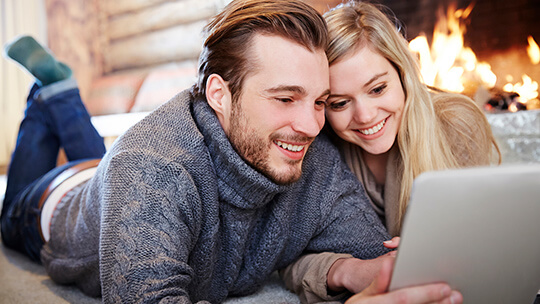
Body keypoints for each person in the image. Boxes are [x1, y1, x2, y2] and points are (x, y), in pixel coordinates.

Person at [281, 1, 498, 303]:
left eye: (378, 89)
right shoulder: (318, 153)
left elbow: (488, 233)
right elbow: (286, 259)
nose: (366, 116)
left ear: (402, 73)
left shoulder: (455, 125)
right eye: (340, 103)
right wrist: (350, 270)